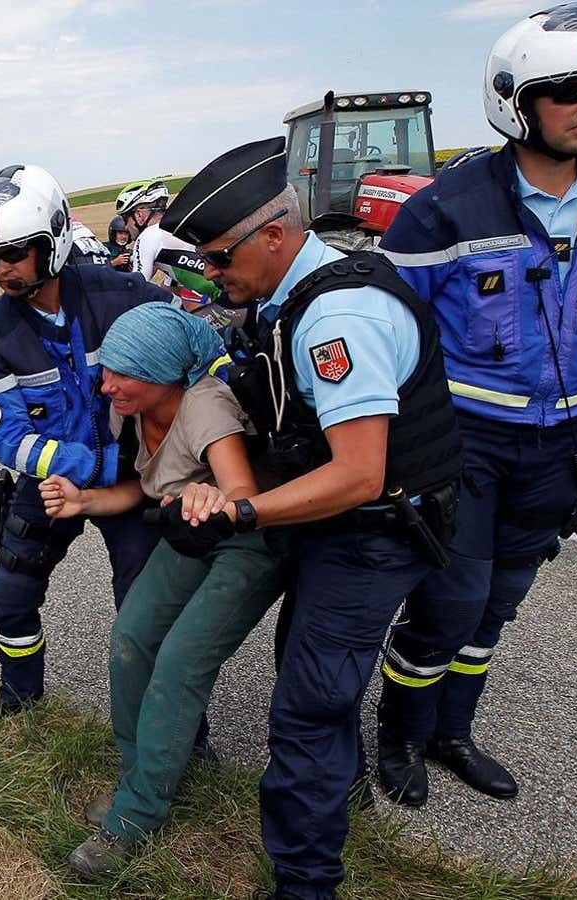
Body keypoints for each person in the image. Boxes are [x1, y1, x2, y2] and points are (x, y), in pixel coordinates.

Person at [376, 2, 577, 812]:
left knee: (499, 602)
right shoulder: (445, 208)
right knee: (450, 600)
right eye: (571, 88)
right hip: (464, 441)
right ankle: (397, 734)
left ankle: (451, 734)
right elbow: (389, 334)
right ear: (516, 98)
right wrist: (402, 449)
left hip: (561, 440)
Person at [161, 136, 462, 900]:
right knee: (312, 671)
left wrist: (243, 510)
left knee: (305, 711)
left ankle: (304, 882)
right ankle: (346, 789)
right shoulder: (299, 290)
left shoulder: (337, 318)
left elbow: (359, 473)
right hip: (356, 525)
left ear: (274, 234)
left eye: (220, 258)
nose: (214, 274)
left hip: (372, 532)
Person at [44, 303, 284, 880]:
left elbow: (242, 494)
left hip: (248, 543)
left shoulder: (204, 404)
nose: (106, 384)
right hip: (190, 534)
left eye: (120, 374)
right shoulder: (131, 408)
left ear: (158, 374)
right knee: (131, 639)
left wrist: (214, 499)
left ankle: (138, 815)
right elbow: (144, 488)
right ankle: (140, 778)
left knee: (179, 662)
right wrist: (84, 502)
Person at [0, 163, 165, 714]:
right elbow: (6, 437)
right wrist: (79, 467)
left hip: (134, 482)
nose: (2, 270)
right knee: (9, 597)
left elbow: (188, 357)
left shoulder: (123, 296)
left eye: (16, 253)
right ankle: (20, 699)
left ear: (53, 241)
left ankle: (182, 731)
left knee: (147, 610)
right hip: (49, 483)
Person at [117, 180, 222, 316]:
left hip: (227, 299)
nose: (125, 226)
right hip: (234, 294)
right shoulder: (174, 228)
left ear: (139, 215)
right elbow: (170, 285)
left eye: (125, 219)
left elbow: (136, 287)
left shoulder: (149, 236)